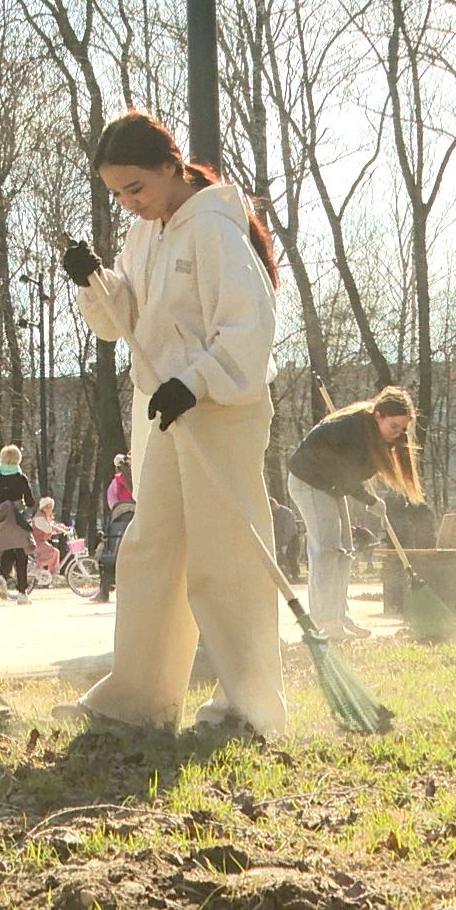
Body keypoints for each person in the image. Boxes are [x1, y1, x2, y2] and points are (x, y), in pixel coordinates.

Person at [56, 110, 287, 735]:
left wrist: (198, 380)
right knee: (150, 549)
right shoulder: (145, 236)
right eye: (117, 195)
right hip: (162, 411)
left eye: (137, 188)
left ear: (169, 166)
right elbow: (120, 322)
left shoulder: (214, 228)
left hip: (219, 415)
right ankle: (137, 702)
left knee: (226, 556)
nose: (130, 204)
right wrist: (94, 283)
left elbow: (249, 328)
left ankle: (249, 707)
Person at [286, 387, 427, 641]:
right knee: (327, 551)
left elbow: (347, 477)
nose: (398, 434)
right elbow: (343, 474)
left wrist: (370, 499)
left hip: (329, 485)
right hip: (308, 481)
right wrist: (369, 500)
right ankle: (325, 623)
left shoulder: (377, 436)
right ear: (378, 416)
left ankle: (340, 615)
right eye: (394, 426)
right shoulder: (352, 431)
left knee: (345, 551)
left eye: (402, 429)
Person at [0, 444, 38, 604]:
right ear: (17, 459)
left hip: (0, 519)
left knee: (8, 550)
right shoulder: (20, 478)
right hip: (16, 517)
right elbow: (30, 501)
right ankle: (22, 593)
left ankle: (2, 575)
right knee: (21, 554)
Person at [31, 496, 67, 579]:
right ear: (43, 508)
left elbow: (53, 524)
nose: (50, 509)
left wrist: (63, 527)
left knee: (55, 552)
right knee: (53, 552)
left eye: (51, 507)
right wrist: (58, 530)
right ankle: (37, 566)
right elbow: (48, 528)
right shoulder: (39, 518)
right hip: (34, 542)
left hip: (40, 541)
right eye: (48, 507)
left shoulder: (46, 516)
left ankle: (52, 573)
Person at [269, 496, 302, 583]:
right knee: (282, 558)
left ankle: (295, 576)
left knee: (292, 557)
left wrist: (285, 544)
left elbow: (288, 529)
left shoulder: (286, 513)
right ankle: (287, 575)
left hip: (291, 538)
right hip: (281, 540)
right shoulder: (274, 514)